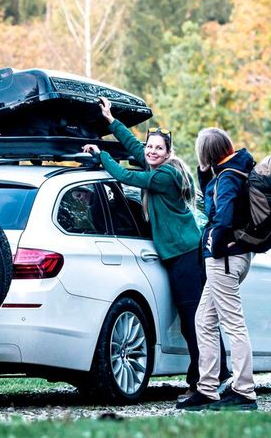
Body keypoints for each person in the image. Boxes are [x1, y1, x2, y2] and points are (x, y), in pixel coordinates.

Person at [82, 97, 231, 402]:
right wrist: (111, 121)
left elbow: (126, 176)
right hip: (177, 255)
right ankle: (216, 374)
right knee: (196, 321)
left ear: (168, 153)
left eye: (158, 148)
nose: (151, 151)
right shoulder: (156, 164)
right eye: (151, 147)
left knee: (195, 322)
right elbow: (137, 149)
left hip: (186, 255)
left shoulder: (166, 175)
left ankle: (211, 378)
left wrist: (102, 156)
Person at [176, 127, 258, 411]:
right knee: (204, 321)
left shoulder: (227, 178)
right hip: (233, 256)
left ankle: (245, 390)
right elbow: (214, 196)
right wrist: (203, 171)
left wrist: (214, 241)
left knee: (233, 323)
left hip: (224, 257)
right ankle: (207, 388)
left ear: (206, 152)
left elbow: (222, 216)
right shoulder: (234, 170)